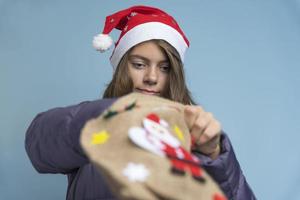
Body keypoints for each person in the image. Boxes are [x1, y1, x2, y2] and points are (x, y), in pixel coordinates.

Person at [25, 5, 256, 200]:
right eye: (139, 64)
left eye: (164, 68)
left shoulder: (199, 137)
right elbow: (38, 146)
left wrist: (214, 156)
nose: (152, 78)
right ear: (121, 67)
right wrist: (113, 118)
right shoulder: (92, 122)